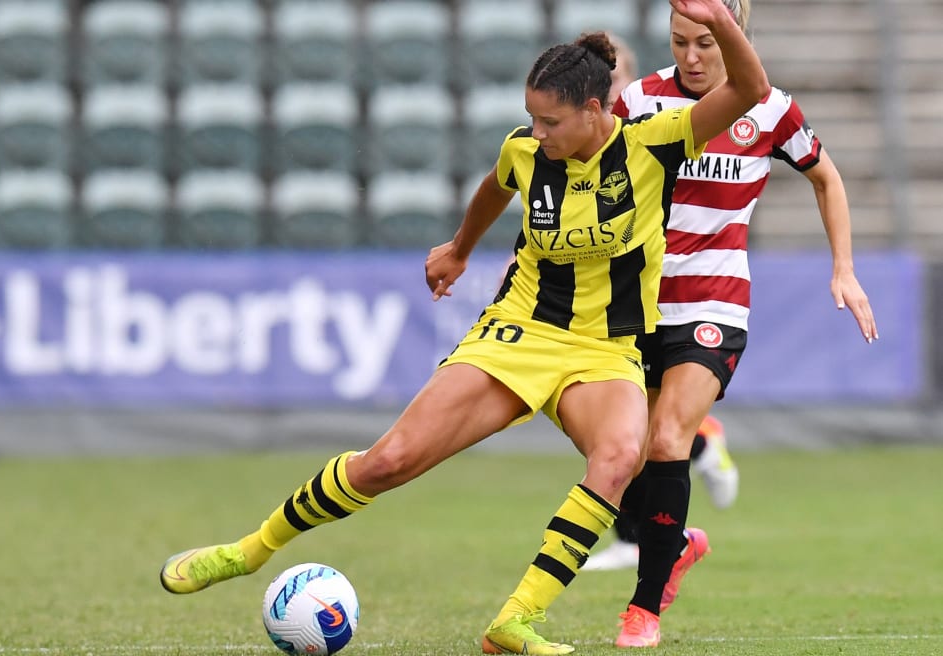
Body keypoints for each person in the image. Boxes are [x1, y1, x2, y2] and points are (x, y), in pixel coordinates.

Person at [159, 1, 770, 653]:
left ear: (597, 112)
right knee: (386, 462)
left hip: (606, 352)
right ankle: (248, 552)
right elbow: (494, 186)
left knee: (620, 458)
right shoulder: (526, 152)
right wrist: (458, 249)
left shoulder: (656, 143)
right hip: (519, 335)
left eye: (551, 120)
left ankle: (515, 621)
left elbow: (751, 90)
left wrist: (722, 23)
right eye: (532, 116)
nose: (536, 131)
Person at [603, 0, 879, 648]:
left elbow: (827, 179)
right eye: (679, 43)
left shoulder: (770, 109)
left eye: (705, 43)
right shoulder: (639, 101)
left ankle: (642, 611)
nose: (692, 58)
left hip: (715, 306)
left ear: (734, 34)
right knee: (624, 460)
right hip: (639, 307)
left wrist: (844, 268)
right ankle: (678, 545)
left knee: (671, 437)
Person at [583, 32, 741, 576]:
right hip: (628, 291)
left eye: (616, 77)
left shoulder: (655, 113)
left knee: (642, 435)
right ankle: (699, 451)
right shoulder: (619, 118)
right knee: (625, 433)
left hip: (683, 295)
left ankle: (644, 543)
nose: (611, 90)